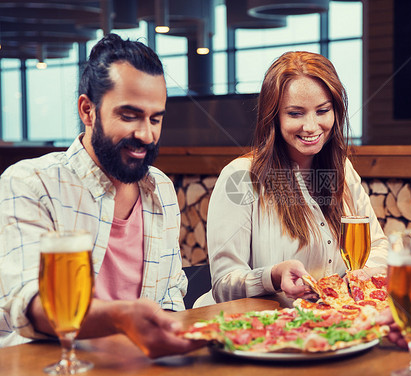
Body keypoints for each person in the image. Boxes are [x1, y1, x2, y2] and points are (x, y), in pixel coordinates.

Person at [0, 33, 201, 357]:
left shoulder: (161, 189)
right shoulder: (29, 183)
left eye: (155, 119)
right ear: (87, 110)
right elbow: (28, 304)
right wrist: (120, 318)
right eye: (129, 115)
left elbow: (170, 299)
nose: (145, 135)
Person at [204, 51, 388, 304]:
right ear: (273, 117)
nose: (312, 126)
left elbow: (379, 247)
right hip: (262, 331)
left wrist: (356, 278)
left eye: (322, 110)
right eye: (295, 113)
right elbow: (223, 286)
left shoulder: (342, 170)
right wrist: (273, 276)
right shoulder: (240, 178)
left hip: (326, 324)